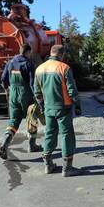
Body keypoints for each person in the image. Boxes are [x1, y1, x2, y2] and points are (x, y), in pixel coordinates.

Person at [34, 44, 82, 177]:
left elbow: (37, 92)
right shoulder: (64, 68)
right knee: (67, 135)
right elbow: (72, 91)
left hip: (49, 108)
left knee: (49, 134)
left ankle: (48, 165)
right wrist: (77, 105)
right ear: (62, 55)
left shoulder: (39, 69)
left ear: (51, 53)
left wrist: (43, 106)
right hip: (63, 108)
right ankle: (67, 168)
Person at [0, 43, 43, 160]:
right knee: (31, 118)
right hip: (26, 94)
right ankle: (32, 145)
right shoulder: (28, 63)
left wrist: (7, 89)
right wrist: (38, 98)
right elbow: (33, 83)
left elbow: (3, 79)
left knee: (14, 120)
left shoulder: (10, 62)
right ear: (28, 52)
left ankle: (5, 142)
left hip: (13, 93)